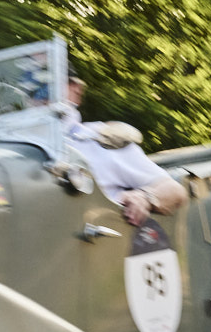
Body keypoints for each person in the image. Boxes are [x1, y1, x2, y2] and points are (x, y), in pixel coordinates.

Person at [61, 76, 185, 226]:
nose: (36, 91)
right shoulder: (26, 151)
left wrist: (145, 198)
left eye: (48, 78)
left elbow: (174, 191)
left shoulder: (100, 140)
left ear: (75, 89)